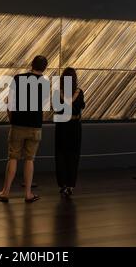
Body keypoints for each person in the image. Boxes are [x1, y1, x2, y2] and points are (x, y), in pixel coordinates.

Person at [0, 55, 49, 203]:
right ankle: (28, 194)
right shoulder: (45, 84)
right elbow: (42, 107)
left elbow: (10, 103)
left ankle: (5, 192)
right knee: (30, 159)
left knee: (13, 157)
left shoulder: (18, 79)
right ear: (45, 68)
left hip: (18, 125)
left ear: (31, 64)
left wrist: (12, 119)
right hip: (35, 126)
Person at [55, 67, 85, 197]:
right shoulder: (79, 92)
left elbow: (56, 107)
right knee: (74, 155)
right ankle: (71, 185)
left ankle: (63, 184)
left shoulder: (58, 92)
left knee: (60, 155)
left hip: (61, 127)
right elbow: (82, 106)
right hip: (75, 127)